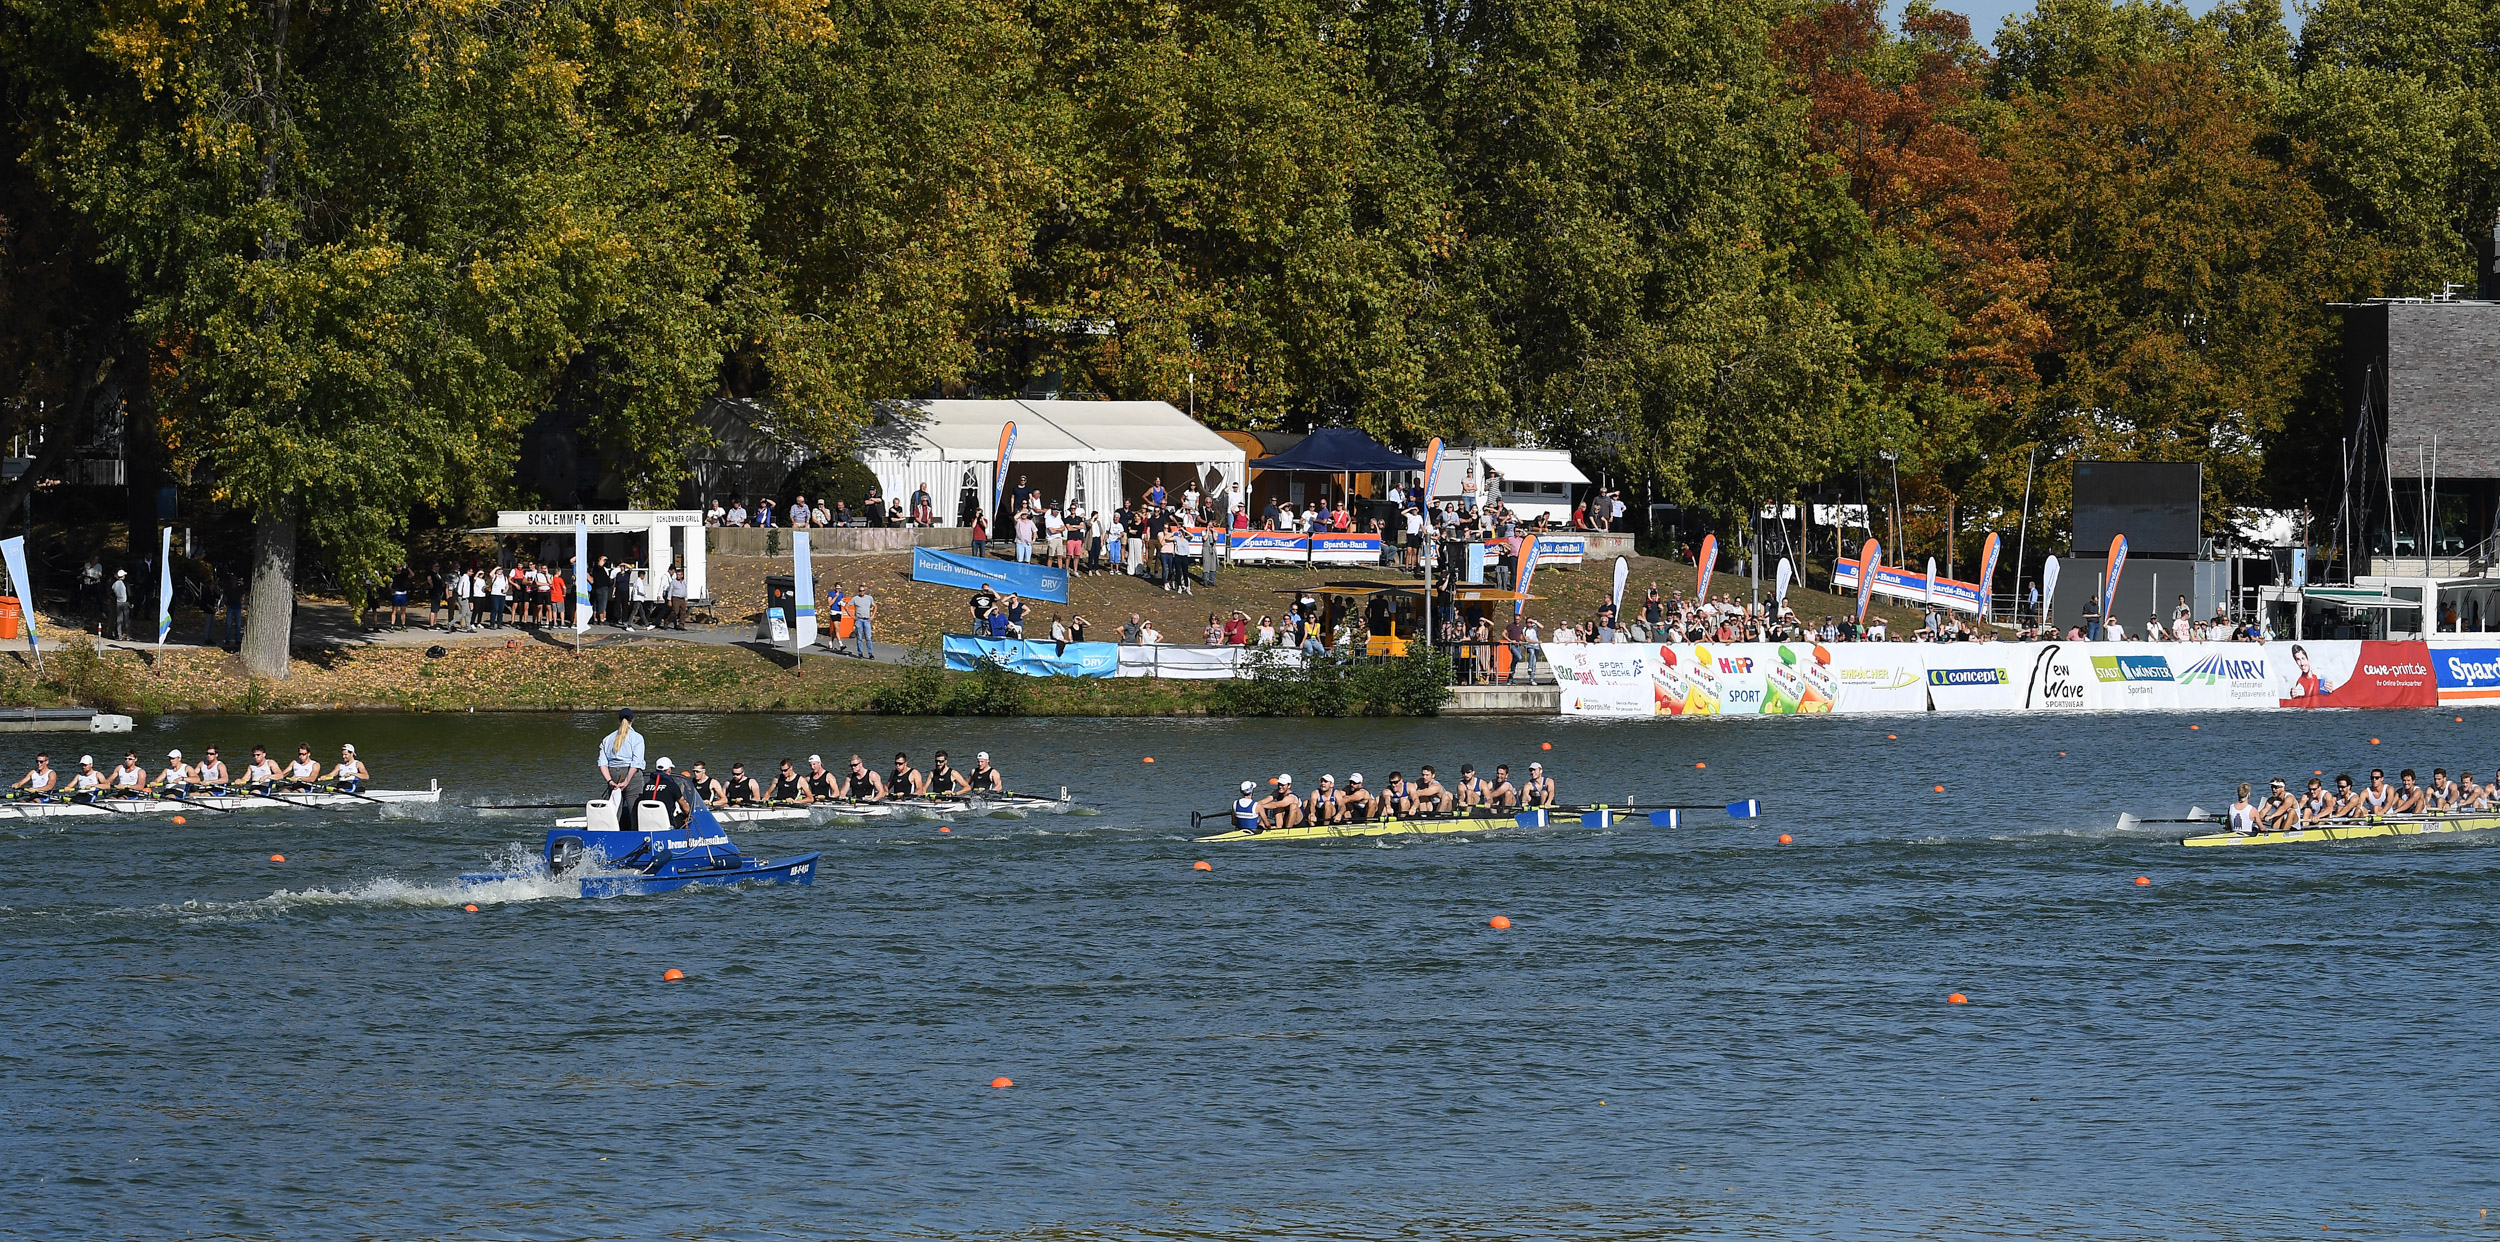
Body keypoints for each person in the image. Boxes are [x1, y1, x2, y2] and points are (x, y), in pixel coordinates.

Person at [597, 709, 646, 807]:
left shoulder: (607, 738)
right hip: (632, 776)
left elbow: (602, 763)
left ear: (619, 720)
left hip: (613, 774)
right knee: (635, 811)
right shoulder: (637, 738)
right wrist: (627, 781)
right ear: (633, 720)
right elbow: (636, 763)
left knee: (614, 812)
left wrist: (610, 781)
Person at [109, 568, 130, 640]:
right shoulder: (125, 584)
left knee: (119, 620)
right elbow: (129, 593)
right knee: (126, 619)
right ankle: (127, 635)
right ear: (123, 576)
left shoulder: (114, 584)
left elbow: (112, 592)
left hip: (118, 602)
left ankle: (119, 634)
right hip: (125, 602)